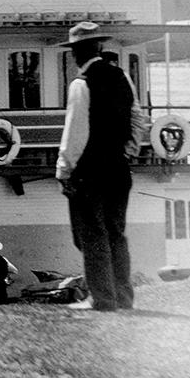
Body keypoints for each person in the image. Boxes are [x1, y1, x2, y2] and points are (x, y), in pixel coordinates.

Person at [54, 21, 146, 312]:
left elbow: (75, 133)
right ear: (100, 48)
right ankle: (123, 296)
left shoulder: (81, 84)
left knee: (92, 234)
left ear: (76, 53)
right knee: (116, 232)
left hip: (90, 172)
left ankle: (101, 298)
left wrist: (64, 169)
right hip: (118, 168)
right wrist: (127, 151)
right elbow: (137, 119)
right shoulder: (122, 78)